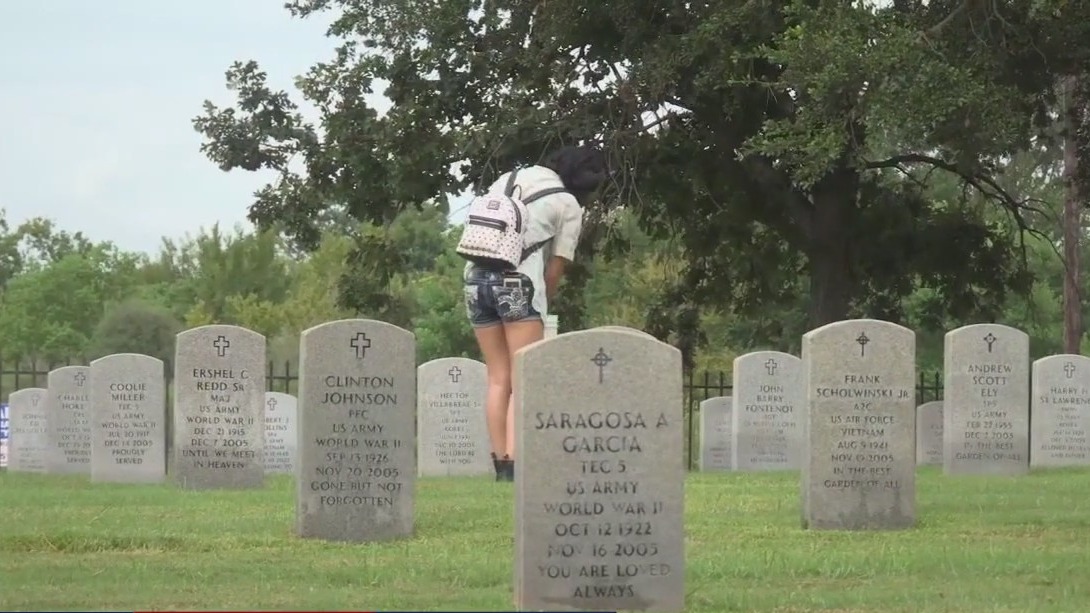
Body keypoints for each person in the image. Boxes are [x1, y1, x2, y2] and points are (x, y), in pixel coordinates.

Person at [462, 145, 609, 482]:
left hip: (473, 279)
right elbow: (556, 267)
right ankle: (515, 464)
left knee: (497, 377)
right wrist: (544, 302)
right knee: (522, 377)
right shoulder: (568, 203)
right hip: (516, 283)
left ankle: (500, 463)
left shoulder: (509, 178)